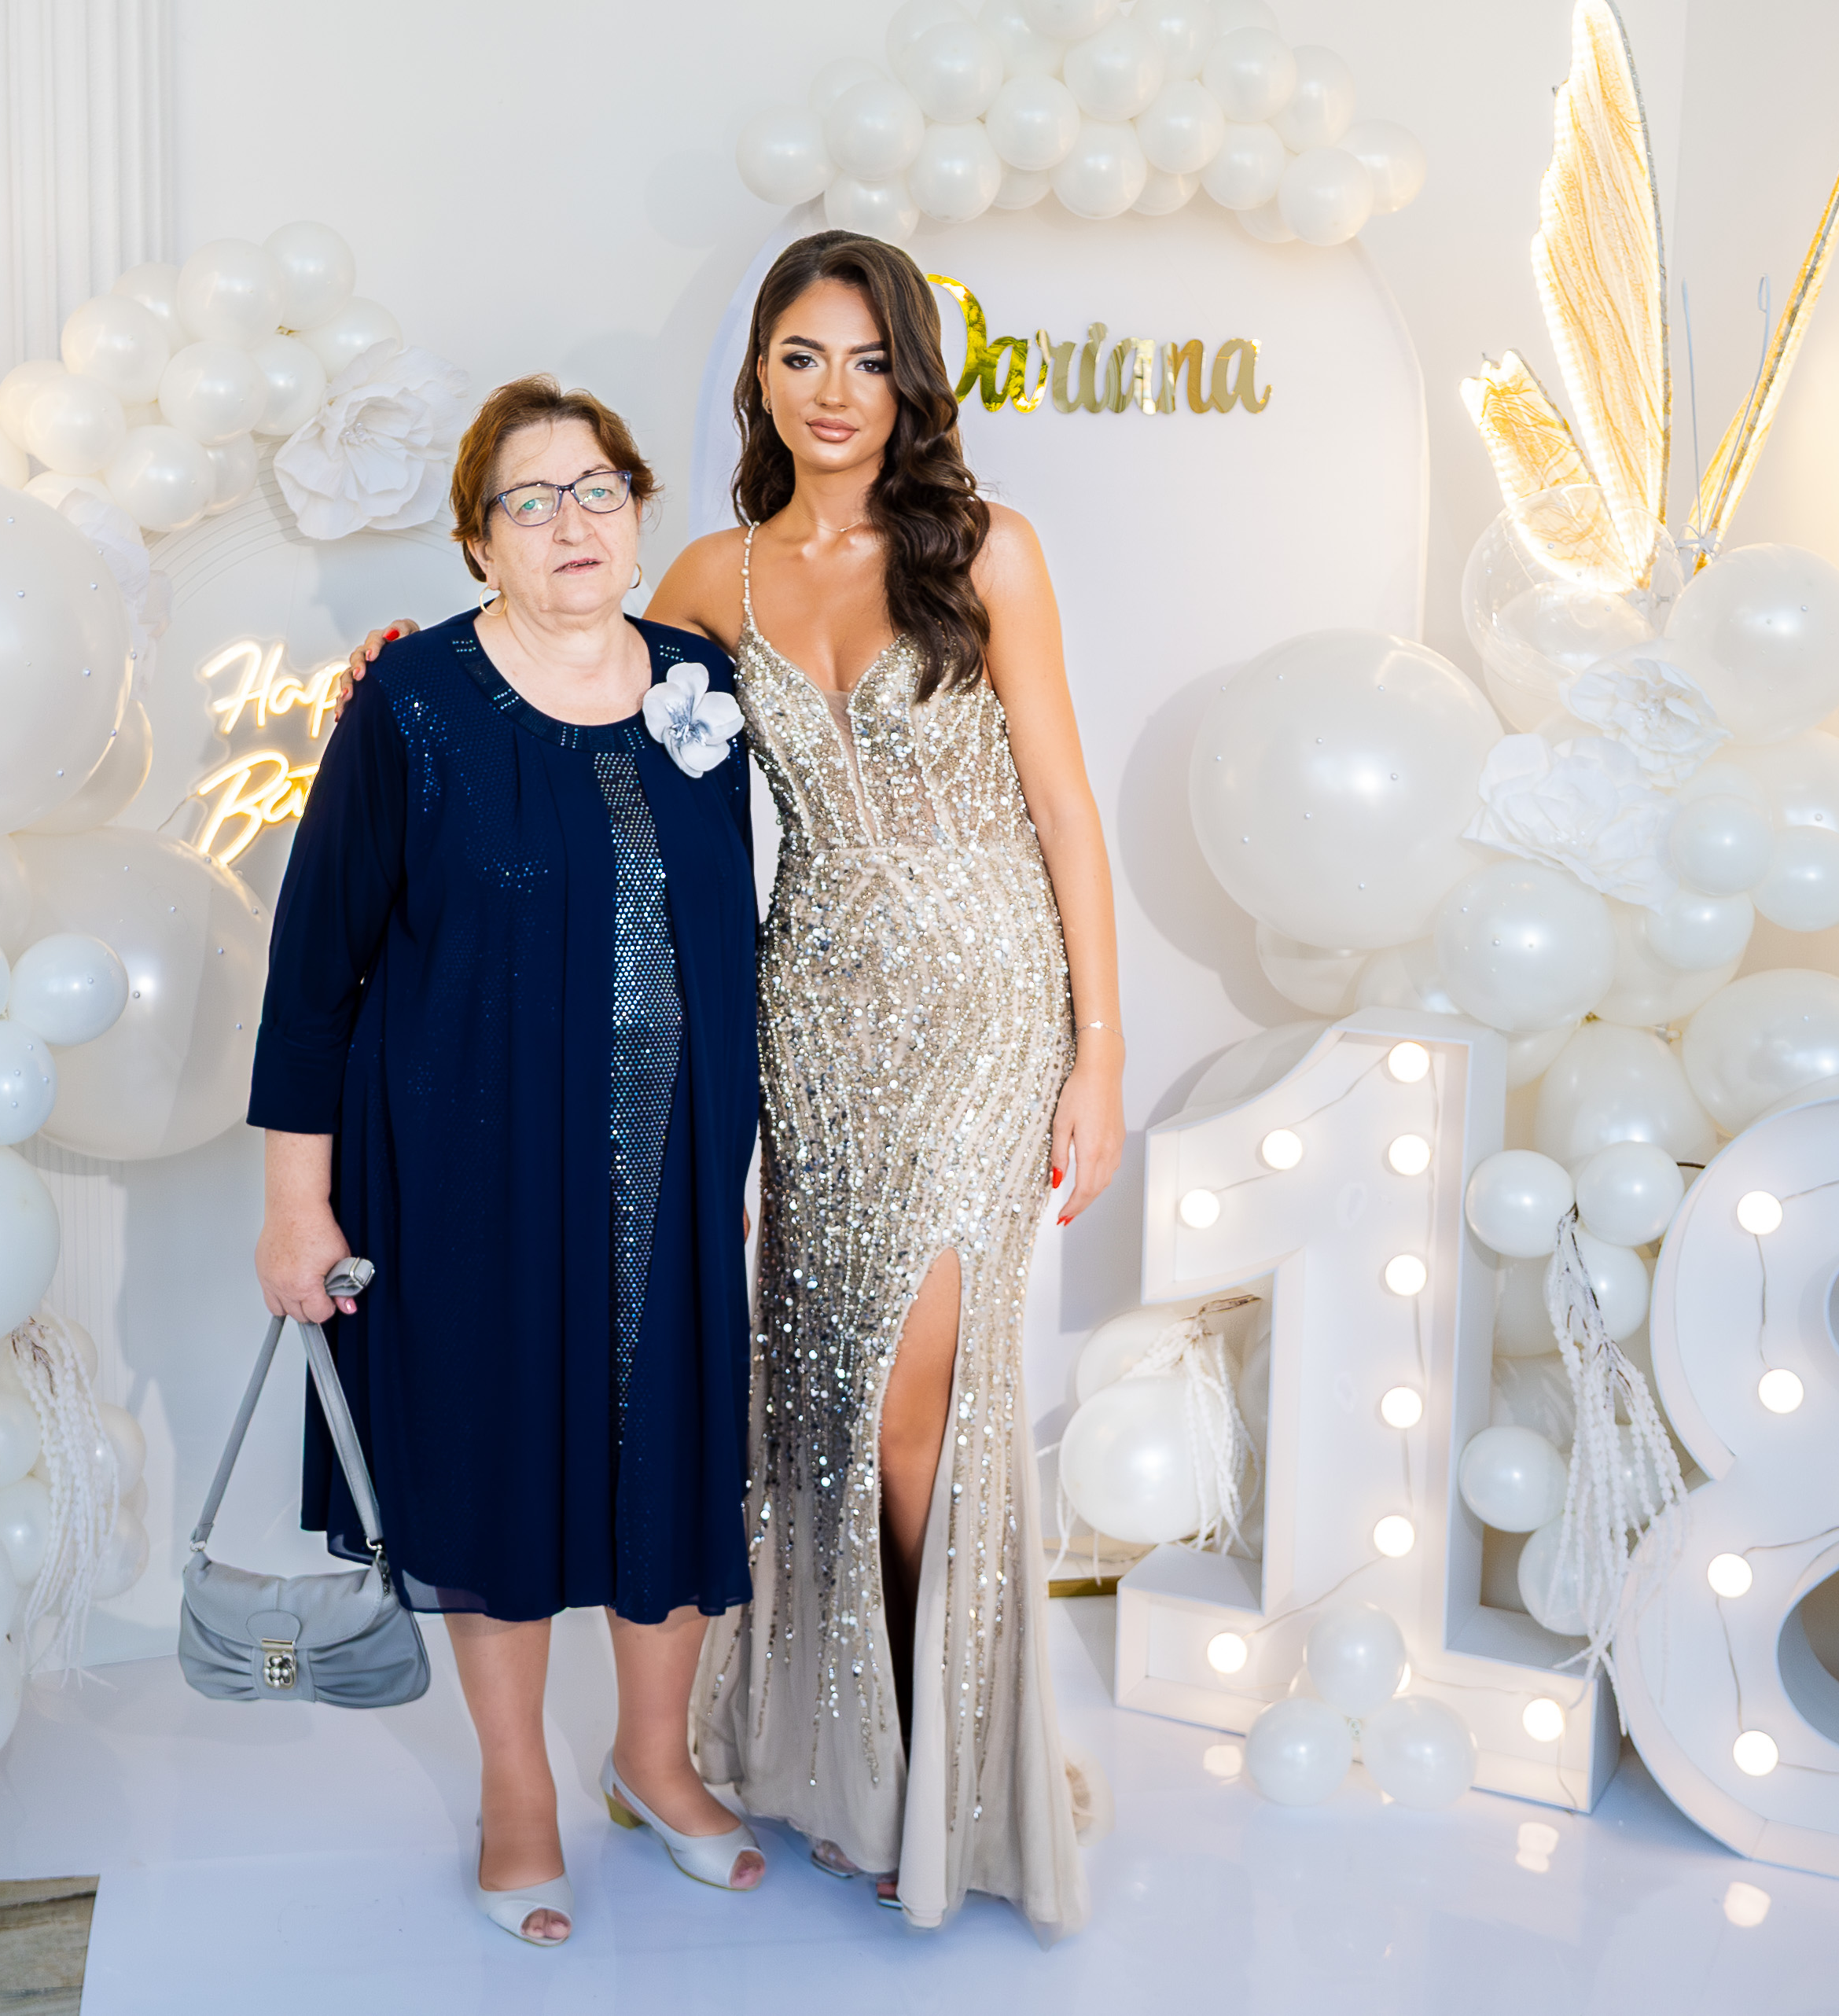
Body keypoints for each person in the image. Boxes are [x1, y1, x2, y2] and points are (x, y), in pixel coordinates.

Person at [247, 376, 767, 1948]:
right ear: (479, 542)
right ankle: (517, 1788)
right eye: (528, 502)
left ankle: (653, 1761)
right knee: (499, 1467)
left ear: (638, 512)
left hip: (674, 1174)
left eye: (597, 489)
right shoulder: (415, 700)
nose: (570, 523)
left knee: (670, 1456)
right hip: (470, 1176)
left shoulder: (702, 683)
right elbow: (314, 966)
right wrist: (295, 1202)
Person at [653, 229, 1124, 1941]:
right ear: (760, 375)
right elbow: (575, 711)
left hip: (988, 1010)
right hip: (816, 1020)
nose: (834, 392)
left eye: (866, 360)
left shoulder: (987, 548)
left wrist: (1101, 1047)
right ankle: (853, 1764)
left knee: (918, 1407)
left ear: (911, 378)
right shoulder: (712, 577)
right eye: (803, 357)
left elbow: (1064, 805)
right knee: (824, 1391)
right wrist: (409, 671)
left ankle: (945, 1783)